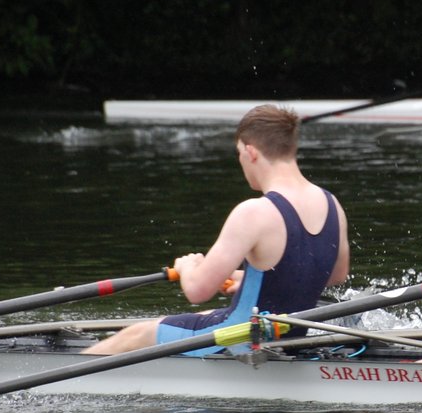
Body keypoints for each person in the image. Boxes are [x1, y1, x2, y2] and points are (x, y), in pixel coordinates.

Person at [83, 104, 349, 356]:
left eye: (238, 154)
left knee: (137, 333)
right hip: (291, 338)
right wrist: (254, 279)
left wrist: (189, 268)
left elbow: (197, 291)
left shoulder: (254, 212)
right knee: (199, 317)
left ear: (250, 151)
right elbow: (334, 274)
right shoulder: (332, 205)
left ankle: (61, 377)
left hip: (239, 339)